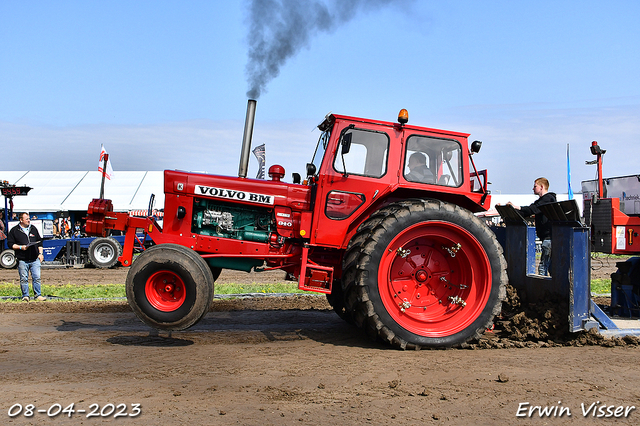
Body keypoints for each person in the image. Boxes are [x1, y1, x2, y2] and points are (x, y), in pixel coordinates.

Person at [507, 177, 557, 276]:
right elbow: (528, 211)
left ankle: (544, 288)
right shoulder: (541, 201)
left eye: (535, 186)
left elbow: (532, 209)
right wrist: (512, 210)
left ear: (542, 187)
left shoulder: (548, 199)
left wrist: (517, 207)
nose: (533, 189)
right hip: (546, 238)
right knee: (550, 265)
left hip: (549, 238)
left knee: (543, 267)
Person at [7, 212, 46, 301]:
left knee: (36, 277)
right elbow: (10, 244)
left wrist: (40, 253)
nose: (29, 220)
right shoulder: (14, 230)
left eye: (29, 219)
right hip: (22, 259)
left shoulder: (33, 229)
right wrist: (21, 247)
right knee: (23, 278)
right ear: (21, 220)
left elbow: (39, 242)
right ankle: (25, 296)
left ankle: (38, 295)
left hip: (34, 258)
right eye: (27, 219)